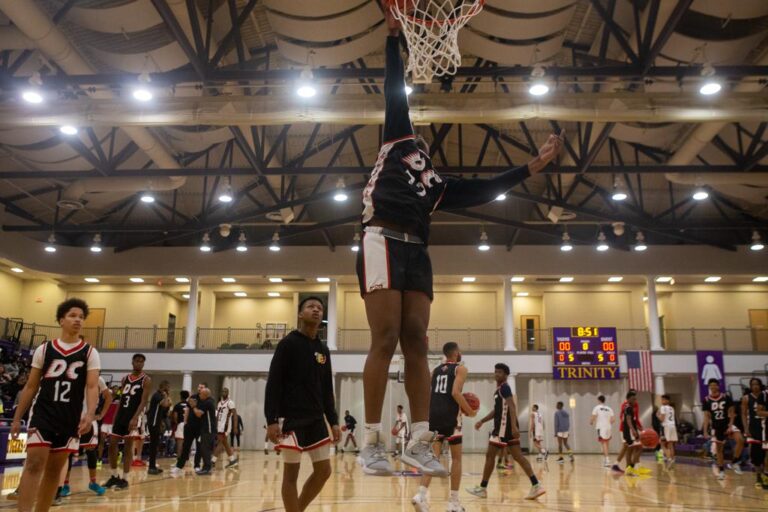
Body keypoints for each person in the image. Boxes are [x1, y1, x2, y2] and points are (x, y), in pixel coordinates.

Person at [356, 4, 564, 477]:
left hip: (417, 251)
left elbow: (485, 189)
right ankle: (370, 443)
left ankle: (421, 441)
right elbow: (395, 90)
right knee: (385, 337)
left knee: (416, 342)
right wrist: (394, 39)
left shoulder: (438, 184)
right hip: (381, 238)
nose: (424, 144)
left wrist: (530, 167)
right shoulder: (397, 139)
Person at [10, 298, 101, 512]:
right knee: (33, 463)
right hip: (44, 413)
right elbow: (31, 387)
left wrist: (89, 415)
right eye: (72, 315)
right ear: (61, 320)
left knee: (53, 471)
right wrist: (16, 418)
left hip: (69, 417)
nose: (77, 320)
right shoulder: (44, 349)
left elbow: (92, 387)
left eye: (81, 317)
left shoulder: (90, 353)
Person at [265, 297, 341, 512]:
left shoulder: (323, 350)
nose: (316, 310)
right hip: (292, 419)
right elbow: (274, 383)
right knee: (291, 476)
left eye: (320, 308)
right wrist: (271, 420)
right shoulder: (288, 344)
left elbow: (327, 389)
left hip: (316, 419)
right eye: (311, 307)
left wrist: (333, 421)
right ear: (300, 314)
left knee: (324, 471)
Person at [412, 342, 476, 512]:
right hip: (451, 417)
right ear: (456, 353)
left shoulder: (435, 370)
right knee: (456, 459)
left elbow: (428, 393)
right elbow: (455, 392)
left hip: (434, 415)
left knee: (433, 458)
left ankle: (420, 495)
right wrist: (469, 411)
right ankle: (453, 503)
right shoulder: (461, 368)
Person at [466, 363, 545, 501]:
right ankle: (536, 485)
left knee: (490, 456)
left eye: (500, 372)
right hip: (505, 427)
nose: (497, 374)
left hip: (503, 428)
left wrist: (514, 426)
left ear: (506, 375)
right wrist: (482, 421)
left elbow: (512, 406)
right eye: (496, 372)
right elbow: (496, 411)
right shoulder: (499, 390)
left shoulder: (505, 388)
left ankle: (483, 488)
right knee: (518, 457)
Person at [58, 375, 112, 500]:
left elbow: (108, 397)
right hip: (72, 419)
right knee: (68, 453)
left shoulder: (98, 379)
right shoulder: (74, 375)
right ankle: (65, 485)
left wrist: (101, 414)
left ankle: (92, 482)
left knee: (91, 451)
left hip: (89, 420)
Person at [104, 353, 152, 490]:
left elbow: (143, 401)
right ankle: (114, 476)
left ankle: (124, 478)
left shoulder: (146, 380)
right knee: (112, 444)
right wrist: (115, 415)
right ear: (132, 362)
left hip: (133, 416)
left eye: (142, 362)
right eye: (137, 361)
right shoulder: (125, 378)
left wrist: (136, 417)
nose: (139, 363)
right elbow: (122, 398)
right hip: (121, 415)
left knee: (127, 447)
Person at [703, 378, 742, 479]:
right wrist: (705, 431)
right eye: (711, 385)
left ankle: (734, 462)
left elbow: (732, 413)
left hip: (727, 423)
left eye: (715, 385)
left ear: (718, 386)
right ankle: (721, 471)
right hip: (717, 426)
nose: (713, 387)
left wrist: (730, 425)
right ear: (709, 387)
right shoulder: (706, 400)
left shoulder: (726, 397)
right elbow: (707, 416)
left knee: (740, 440)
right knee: (719, 450)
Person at [743, 377, 768, 488]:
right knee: (756, 455)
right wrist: (746, 428)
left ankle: (765, 475)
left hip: (765, 426)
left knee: (765, 454)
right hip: (754, 427)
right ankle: (758, 476)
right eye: (753, 384)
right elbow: (743, 414)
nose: (755, 386)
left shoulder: (765, 395)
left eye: (757, 384)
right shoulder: (746, 398)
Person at [146, 380, 171, 474]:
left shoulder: (160, 396)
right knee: (153, 444)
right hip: (153, 422)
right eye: (168, 387)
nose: (169, 389)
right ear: (164, 387)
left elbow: (167, 406)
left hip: (156, 421)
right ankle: (151, 467)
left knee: (155, 444)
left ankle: (152, 465)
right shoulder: (157, 395)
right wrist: (166, 396)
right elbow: (165, 404)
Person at [190, 387, 216, 475]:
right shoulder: (208, 402)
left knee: (205, 448)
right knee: (204, 448)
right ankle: (206, 467)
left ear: (205, 395)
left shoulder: (207, 402)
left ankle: (207, 468)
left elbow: (198, 414)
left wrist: (193, 406)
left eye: (200, 393)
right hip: (206, 429)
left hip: (208, 429)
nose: (199, 395)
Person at [213, 387, 239, 468]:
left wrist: (235, 427)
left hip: (226, 426)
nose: (224, 392)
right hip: (219, 425)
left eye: (225, 391)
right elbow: (217, 416)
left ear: (228, 393)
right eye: (222, 391)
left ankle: (212, 461)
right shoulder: (219, 403)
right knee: (224, 443)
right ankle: (232, 460)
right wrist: (215, 425)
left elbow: (235, 415)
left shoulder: (230, 402)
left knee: (220, 443)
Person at [621, 391, 643, 476]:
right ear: (629, 399)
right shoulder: (628, 408)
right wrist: (633, 430)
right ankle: (631, 467)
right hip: (629, 432)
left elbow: (632, 420)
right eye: (633, 399)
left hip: (630, 430)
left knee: (630, 450)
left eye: (635, 399)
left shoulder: (629, 407)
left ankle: (628, 468)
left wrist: (638, 428)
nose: (635, 400)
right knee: (639, 448)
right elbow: (628, 420)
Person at [590, 395, 614, 467]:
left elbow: (593, 417)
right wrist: (607, 422)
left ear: (599, 400)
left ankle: (607, 460)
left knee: (603, 443)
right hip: (608, 427)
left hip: (601, 427)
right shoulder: (609, 408)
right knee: (607, 443)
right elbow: (613, 420)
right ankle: (606, 459)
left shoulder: (597, 407)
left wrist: (591, 422)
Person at [657, 394, 677, 467]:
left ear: (667, 400)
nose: (662, 401)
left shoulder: (663, 407)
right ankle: (673, 458)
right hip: (673, 426)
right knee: (671, 444)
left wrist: (658, 415)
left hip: (666, 426)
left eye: (663, 400)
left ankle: (669, 459)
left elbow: (662, 419)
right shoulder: (672, 408)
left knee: (662, 443)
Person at [171, 390, 189, 457]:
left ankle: (179, 458)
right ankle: (186, 457)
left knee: (180, 442)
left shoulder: (177, 405)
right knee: (187, 441)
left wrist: (176, 424)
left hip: (180, 424)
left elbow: (175, 417)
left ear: (180, 396)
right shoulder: (189, 405)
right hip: (188, 424)